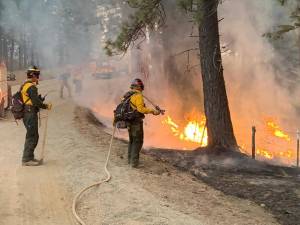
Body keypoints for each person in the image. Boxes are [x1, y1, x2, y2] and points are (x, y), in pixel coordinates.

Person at [125, 78, 160, 168]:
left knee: (132, 141)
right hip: (135, 122)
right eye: (141, 86)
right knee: (138, 141)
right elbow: (140, 109)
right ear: (139, 86)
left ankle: (129, 160)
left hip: (129, 122)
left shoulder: (128, 95)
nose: (142, 87)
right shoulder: (138, 96)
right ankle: (134, 163)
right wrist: (153, 111)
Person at [21, 66, 52, 166]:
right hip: (30, 114)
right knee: (32, 136)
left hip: (27, 113)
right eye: (37, 75)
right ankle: (26, 159)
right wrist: (45, 106)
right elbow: (35, 102)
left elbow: (31, 100)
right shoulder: (31, 87)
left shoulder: (25, 85)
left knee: (32, 135)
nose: (38, 77)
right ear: (33, 75)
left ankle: (30, 157)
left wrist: (39, 100)